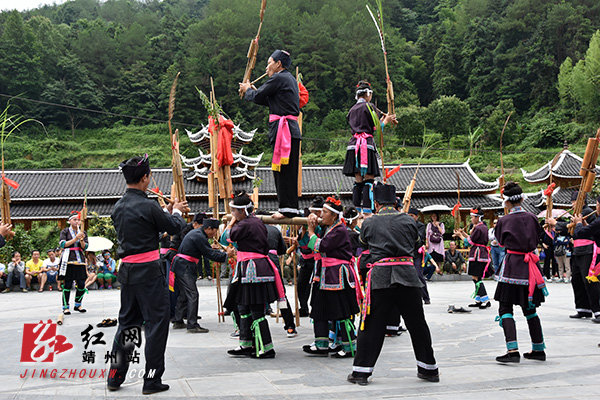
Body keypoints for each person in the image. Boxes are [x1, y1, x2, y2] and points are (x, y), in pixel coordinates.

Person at [106, 154, 187, 395]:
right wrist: (178, 213)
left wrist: (166, 211)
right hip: (149, 272)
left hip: (127, 272)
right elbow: (173, 227)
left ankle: (114, 376)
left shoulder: (118, 207)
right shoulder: (148, 205)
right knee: (156, 324)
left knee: (127, 324)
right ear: (144, 178)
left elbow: (145, 224)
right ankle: (151, 380)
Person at [348, 183, 439, 385]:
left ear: (377, 203)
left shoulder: (369, 223)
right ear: (396, 202)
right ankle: (429, 369)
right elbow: (417, 245)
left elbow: (363, 244)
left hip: (381, 278)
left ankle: (361, 372)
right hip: (408, 276)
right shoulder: (409, 221)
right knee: (417, 324)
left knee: (371, 325)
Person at [222, 190, 286, 358]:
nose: (232, 214)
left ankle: (266, 348)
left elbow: (225, 238)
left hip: (253, 270)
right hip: (251, 268)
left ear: (242, 211)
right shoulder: (255, 222)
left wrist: (231, 223)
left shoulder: (245, 224)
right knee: (243, 307)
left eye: (234, 211)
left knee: (256, 309)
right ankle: (246, 343)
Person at [240, 50, 302, 219]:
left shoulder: (279, 78)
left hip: (285, 130)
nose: (267, 66)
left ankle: (287, 209)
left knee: (284, 170)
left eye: (269, 62)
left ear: (278, 64)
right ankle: (289, 207)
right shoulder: (287, 79)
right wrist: (251, 91)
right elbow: (264, 98)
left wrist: (247, 90)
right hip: (288, 129)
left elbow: (259, 95)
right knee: (285, 170)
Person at [493, 182, 547, 362]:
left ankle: (512, 350)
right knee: (530, 308)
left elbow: (500, 242)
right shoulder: (532, 217)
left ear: (506, 202)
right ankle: (538, 348)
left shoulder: (504, 221)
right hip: (530, 268)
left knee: (505, 308)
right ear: (522, 199)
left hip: (512, 267)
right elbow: (539, 236)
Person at [302, 195, 360, 358]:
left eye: (325, 212)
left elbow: (321, 246)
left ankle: (349, 347)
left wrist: (312, 231)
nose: (321, 215)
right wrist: (311, 219)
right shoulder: (329, 228)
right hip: (326, 275)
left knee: (341, 311)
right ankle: (321, 345)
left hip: (338, 276)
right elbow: (308, 241)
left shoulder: (340, 230)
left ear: (334, 215)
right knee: (319, 309)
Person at [342, 80, 396, 217]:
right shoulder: (370, 107)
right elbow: (377, 127)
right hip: (365, 144)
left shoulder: (352, 110)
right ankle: (367, 211)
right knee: (369, 178)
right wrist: (387, 120)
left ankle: (356, 209)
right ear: (367, 94)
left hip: (353, 145)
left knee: (358, 179)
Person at [172, 218, 233, 333]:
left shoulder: (198, 234)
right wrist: (226, 255)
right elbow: (209, 254)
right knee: (192, 294)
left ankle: (178, 320)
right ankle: (192, 325)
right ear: (209, 228)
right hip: (184, 266)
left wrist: (213, 250)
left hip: (182, 265)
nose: (215, 234)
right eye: (214, 231)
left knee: (184, 294)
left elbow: (205, 250)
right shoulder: (199, 236)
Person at [260, 217, 297, 338]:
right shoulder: (275, 230)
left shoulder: (251, 228)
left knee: (256, 294)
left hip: (257, 263)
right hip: (272, 262)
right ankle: (290, 326)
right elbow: (282, 250)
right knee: (281, 295)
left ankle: (252, 328)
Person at [566, 191, 600, 319]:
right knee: (577, 279)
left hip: (589, 250)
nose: (572, 204)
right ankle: (583, 308)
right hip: (578, 250)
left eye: (574, 202)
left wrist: (578, 223)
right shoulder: (579, 214)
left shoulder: (585, 211)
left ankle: (597, 310)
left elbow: (580, 231)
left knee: (590, 280)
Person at [455, 206, 491, 309]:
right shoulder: (482, 227)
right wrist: (463, 233)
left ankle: (485, 300)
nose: (471, 219)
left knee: (476, 277)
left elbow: (470, 242)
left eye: (472, 217)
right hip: (480, 254)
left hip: (478, 255)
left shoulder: (478, 228)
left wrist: (460, 236)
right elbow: (472, 238)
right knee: (476, 277)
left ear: (477, 217)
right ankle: (479, 299)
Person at [296, 197, 324, 316]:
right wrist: (302, 231)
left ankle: (316, 308)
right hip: (305, 259)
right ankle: (303, 307)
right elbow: (302, 242)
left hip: (318, 259)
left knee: (317, 285)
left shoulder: (324, 224)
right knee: (301, 284)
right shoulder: (306, 222)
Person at [58, 211, 89, 314]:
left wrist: (81, 241)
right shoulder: (65, 231)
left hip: (79, 260)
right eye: (74, 219)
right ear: (69, 221)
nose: (77, 221)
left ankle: (78, 304)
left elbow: (85, 247)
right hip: (68, 260)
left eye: (78, 220)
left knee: (81, 284)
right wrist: (75, 238)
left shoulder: (83, 233)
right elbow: (63, 245)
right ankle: (65, 307)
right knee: (67, 284)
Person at [406, 206, 431, 304]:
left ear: (416, 217)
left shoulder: (420, 226)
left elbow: (419, 239)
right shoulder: (405, 225)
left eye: (412, 216)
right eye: (409, 216)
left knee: (419, 275)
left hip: (417, 253)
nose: (410, 218)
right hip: (407, 253)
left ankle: (426, 297)